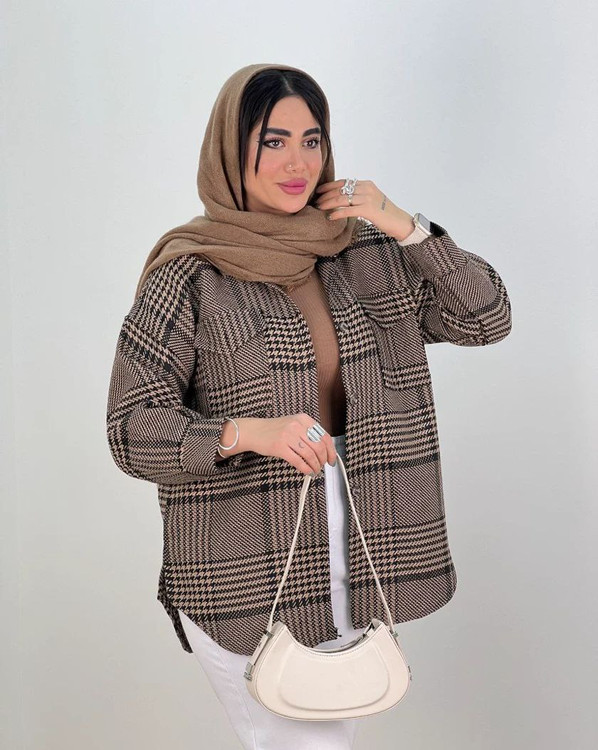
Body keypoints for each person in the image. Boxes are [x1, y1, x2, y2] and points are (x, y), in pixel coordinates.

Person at [106, 63, 512, 750]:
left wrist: (405, 225)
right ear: (230, 149)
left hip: (364, 545)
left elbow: (486, 318)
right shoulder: (192, 272)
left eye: (312, 140)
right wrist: (247, 432)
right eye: (273, 141)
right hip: (246, 566)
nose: (297, 163)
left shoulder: (366, 250)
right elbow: (130, 429)